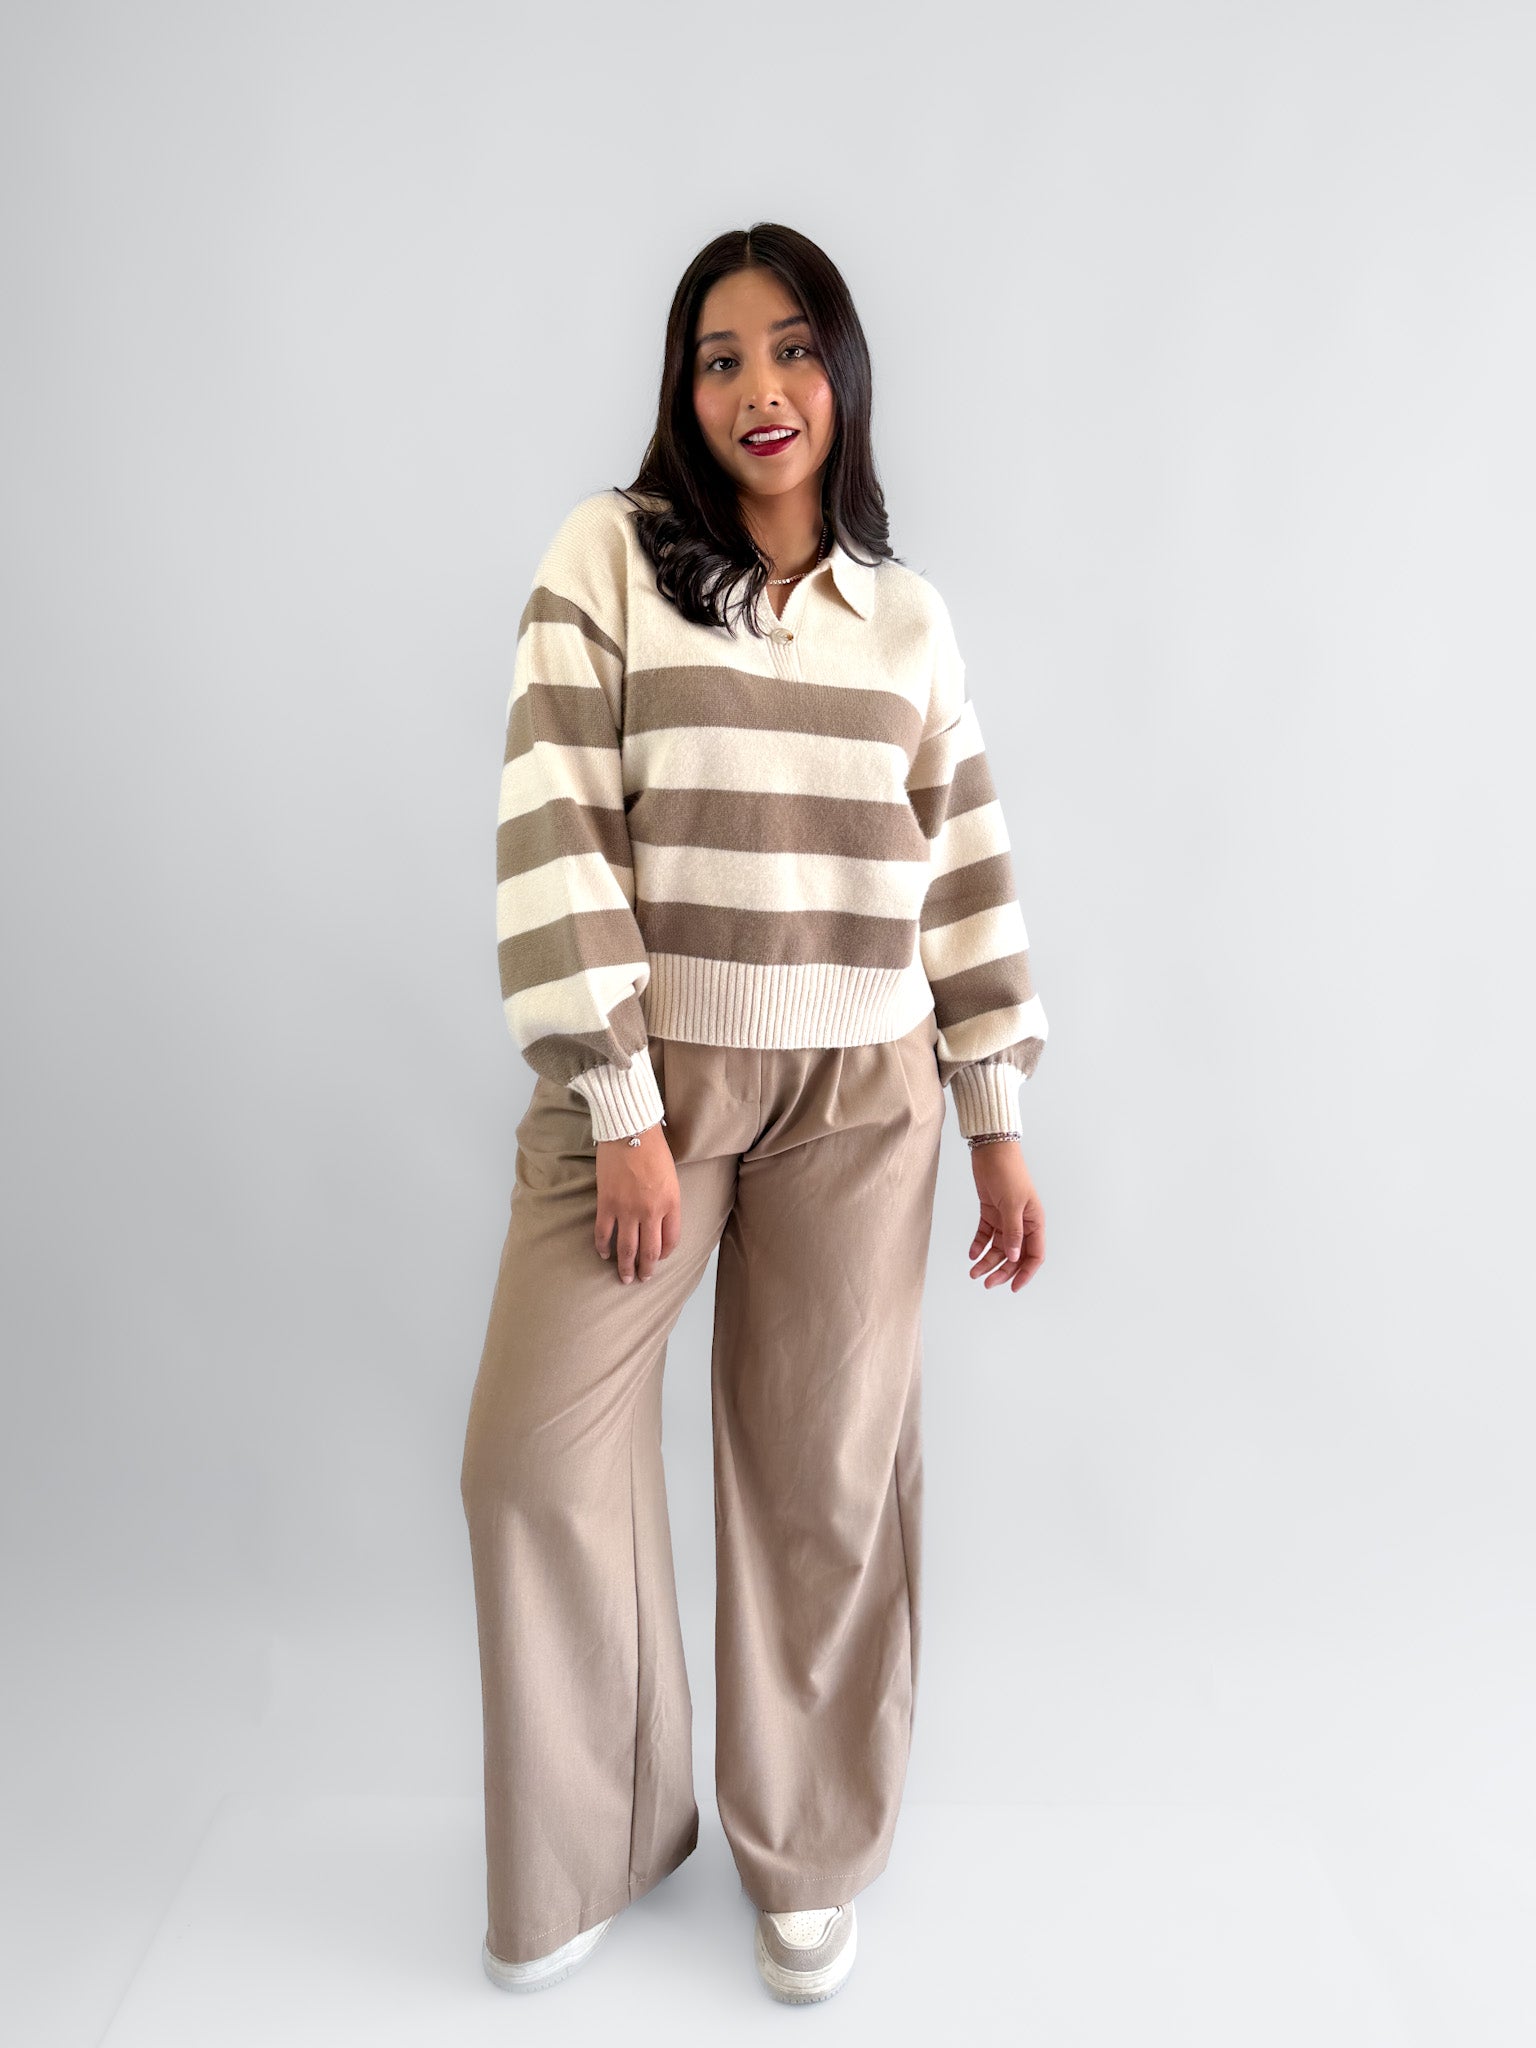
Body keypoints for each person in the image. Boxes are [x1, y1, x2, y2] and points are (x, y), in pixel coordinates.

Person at [459, 220, 1049, 2006]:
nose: (759, 388)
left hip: (863, 1099)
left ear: (841, 374)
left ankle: (806, 1846)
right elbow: (556, 823)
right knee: (530, 1456)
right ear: (684, 390)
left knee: (823, 1477)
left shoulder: (907, 620)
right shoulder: (608, 560)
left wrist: (996, 1118)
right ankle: (600, 1830)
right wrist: (623, 1104)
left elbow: (962, 874)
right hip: (652, 1082)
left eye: (791, 350)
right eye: (719, 359)